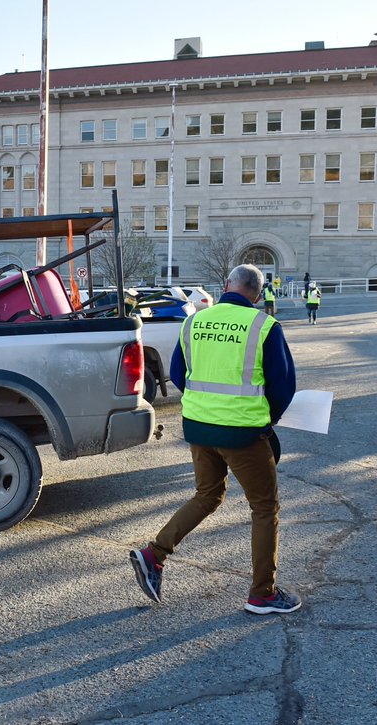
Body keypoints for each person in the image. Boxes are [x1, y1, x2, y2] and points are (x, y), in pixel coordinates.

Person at [129, 264, 300, 615]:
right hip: (243, 432)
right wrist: (268, 421)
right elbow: (284, 386)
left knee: (207, 495)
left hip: (198, 426)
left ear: (227, 286)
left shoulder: (194, 322)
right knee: (264, 508)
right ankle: (263, 594)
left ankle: (154, 554)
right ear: (257, 293)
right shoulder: (264, 326)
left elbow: (178, 374)